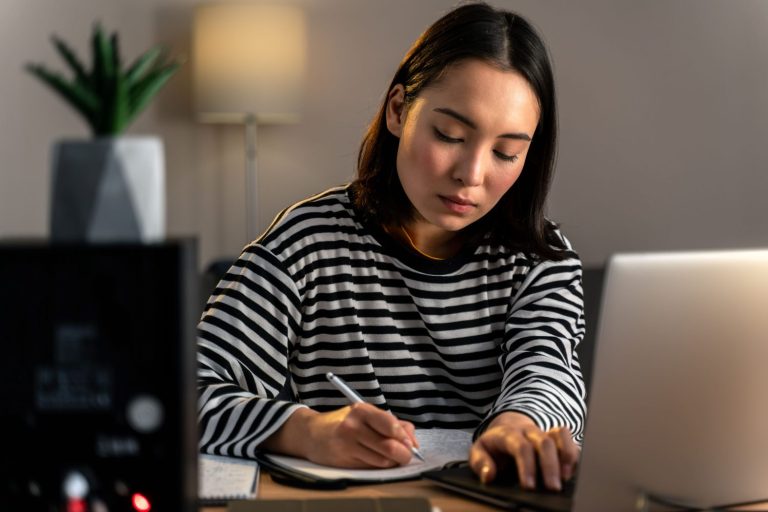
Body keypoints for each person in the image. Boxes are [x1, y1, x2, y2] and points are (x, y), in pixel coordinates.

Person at [197, 1, 586, 492]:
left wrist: (518, 426)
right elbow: (186, 392)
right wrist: (305, 431)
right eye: (450, 135)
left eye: (507, 152)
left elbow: (548, 373)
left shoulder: (539, 258)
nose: (472, 174)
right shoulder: (307, 244)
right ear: (398, 110)